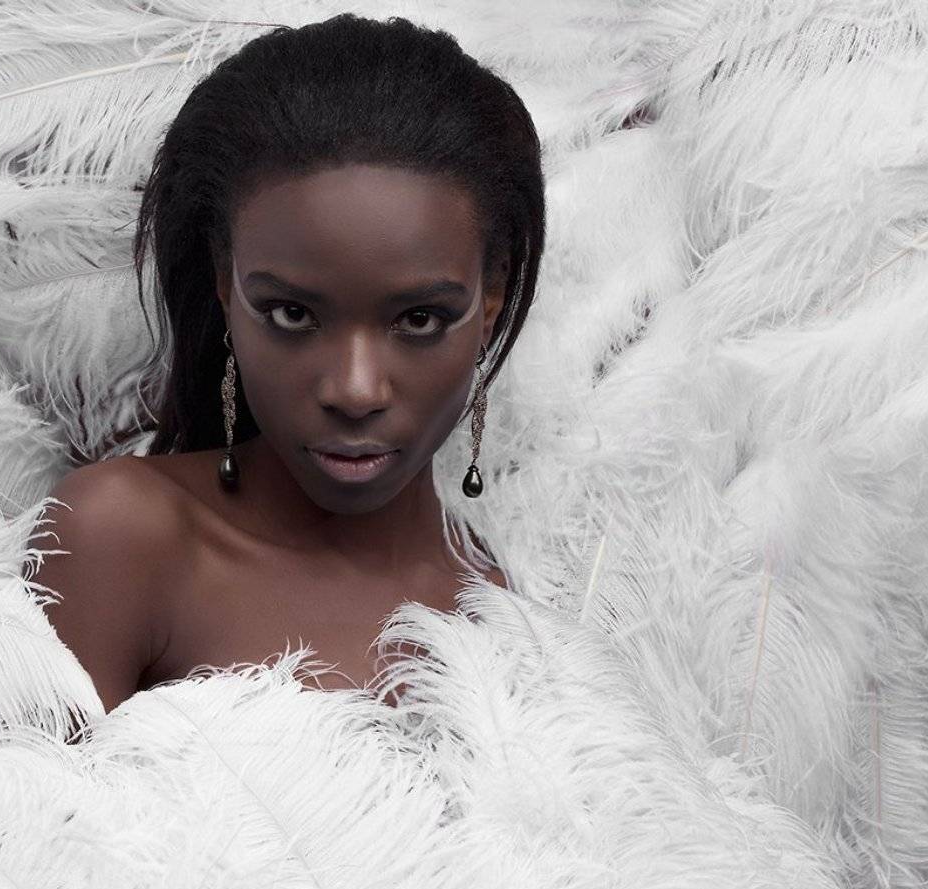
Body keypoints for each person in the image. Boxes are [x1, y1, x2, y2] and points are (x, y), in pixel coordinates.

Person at [29, 13, 546, 713]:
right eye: (293, 315)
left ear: (491, 298)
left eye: (420, 319)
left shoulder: (512, 623)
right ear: (225, 283)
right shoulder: (122, 539)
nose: (355, 390)